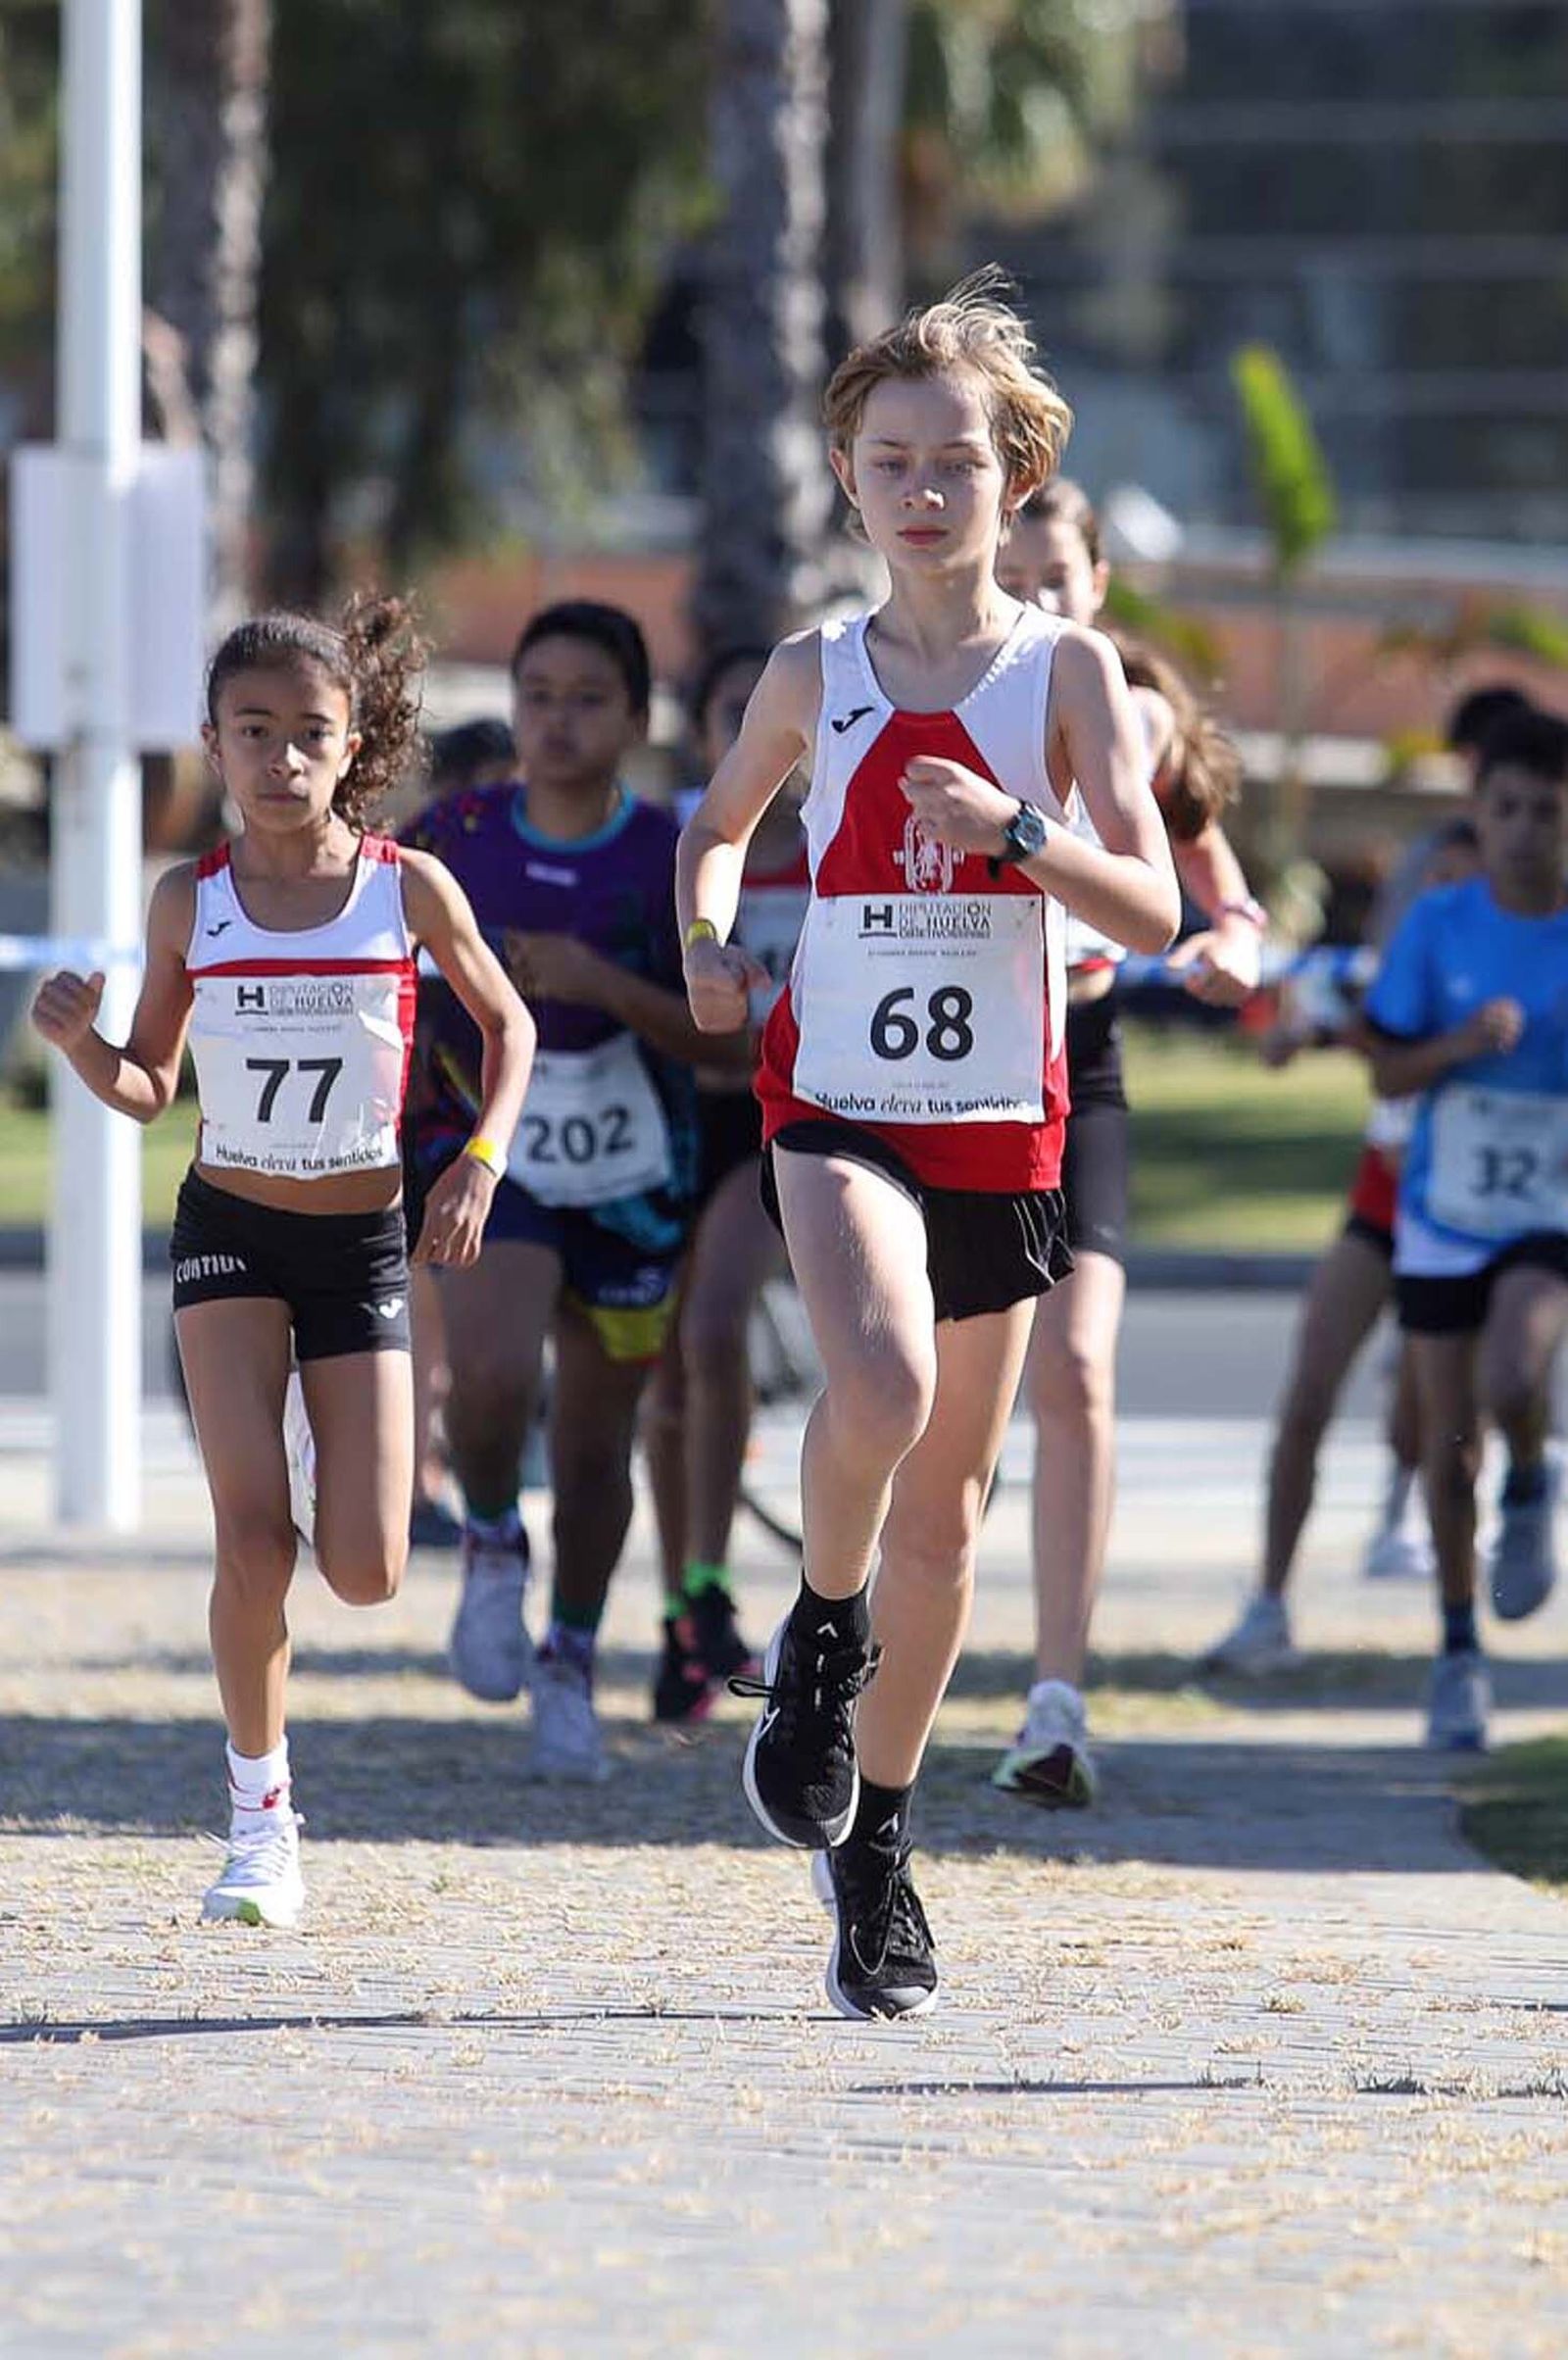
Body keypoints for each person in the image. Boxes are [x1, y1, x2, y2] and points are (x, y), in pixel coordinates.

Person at [677, 273, 1180, 2018]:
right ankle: (817, 1634)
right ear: (844, 473)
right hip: (832, 1092)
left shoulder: (1073, 673)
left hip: (1003, 1118)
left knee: (950, 1522)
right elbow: (722, 828)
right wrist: (707, 936)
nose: (923, 491)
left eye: (955, 461)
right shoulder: (814, 668)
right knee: (874, 1382)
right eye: (889, 460)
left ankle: (875, 1846)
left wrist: (1023, 831)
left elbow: (1160, 901)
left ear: (1013, 478)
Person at [29, 601, 534, 1927]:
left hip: (359, 1237)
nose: (280, 761)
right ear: (213, 743)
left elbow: (510, 1025)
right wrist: (85, 1050)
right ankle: (262, 1822)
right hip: (231, 1234)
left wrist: (479, 1156)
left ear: (351, 744)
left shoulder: (403, 887)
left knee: (364, 1569)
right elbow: (151, 1081)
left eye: (309, 735)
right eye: (253, 734)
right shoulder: (187, 899)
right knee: (251, 1539)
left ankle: (321, 1438)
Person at [405, 601, 745, 1779]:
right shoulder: (451, 832)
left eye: (586, 698)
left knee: (599, 1449)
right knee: (490, 1375)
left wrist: (605, 981)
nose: (555, 720)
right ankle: (494, 1537)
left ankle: (572, 1656)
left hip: (636, 1175)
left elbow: (731, 1050)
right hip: (489, 1152)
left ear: (637, 717)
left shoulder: (674, 854)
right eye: (536, 693)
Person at [985, 478, 1264, 1804]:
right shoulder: (938, 694)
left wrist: (1224, 947)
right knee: (932, 1397)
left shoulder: (1127, 725)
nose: (1038, 602)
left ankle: (1056, 1699)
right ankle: (848, 1646)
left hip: (1076, 1063)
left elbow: (1232, 904)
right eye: (1016, 578)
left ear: (1099, 590)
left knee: (1079, 1372)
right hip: (946, 1076)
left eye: (1059, 581)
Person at [1200, 815, 1483, 1677]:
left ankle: (1454, 1632)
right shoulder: (1404, 965)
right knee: (1308, 1391)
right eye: (1430, 886)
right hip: (1380, 1204)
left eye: (1456, 889)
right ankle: (1269, 1603)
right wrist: (1304, 1035)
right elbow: (1365, 1028)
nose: (1440, 902)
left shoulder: (1505, 978)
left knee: (1438, 1423)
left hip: (1468, 1221)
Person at [1358, 705, 1568, 1750]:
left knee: (1514, 1379)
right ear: (1478, 815)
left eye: (1547, 811)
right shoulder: (1441, 924)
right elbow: (1383, 1065)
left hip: (1551, 1204)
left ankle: (1532, 1480)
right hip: (1446, 1205)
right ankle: (1456, 1647)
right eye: (1507, 809)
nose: (1527, 829)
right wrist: (1455, 1046)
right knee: (1446, 1446)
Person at [641, 647, 805, 1720]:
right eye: (729, 712)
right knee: (664, 1374)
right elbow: (656, 1016)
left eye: (771, 708)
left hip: (785, 1122)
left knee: (711, 1332)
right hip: (670, 1119)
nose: (754, 728)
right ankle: (687, 1604)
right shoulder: (685, 848)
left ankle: (737, 1593)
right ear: (704, 735)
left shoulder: (847, 841)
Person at [403, 717, 520, 1550]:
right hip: (436, 1108)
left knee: (441, 1323)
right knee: (425, 1320)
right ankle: (417, 1481)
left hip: (474, 1106)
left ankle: (430, 1480)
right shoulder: (426, 856)